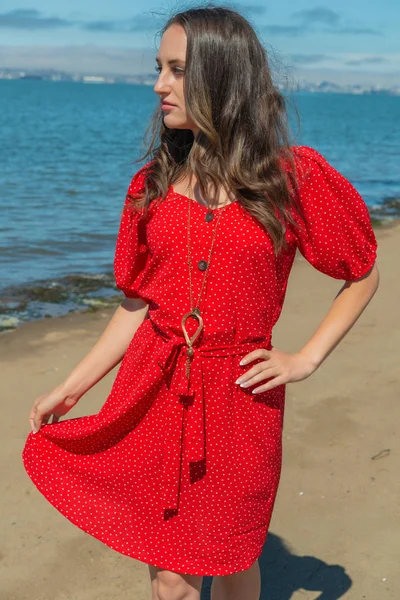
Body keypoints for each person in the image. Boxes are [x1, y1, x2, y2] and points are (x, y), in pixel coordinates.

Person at [22, 5, 379, 600]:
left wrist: (305, 359)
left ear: (222, 75)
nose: (159, 84)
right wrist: (74, 384)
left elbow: (361, 272)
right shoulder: (153, 184)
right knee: (172, 578)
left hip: (243, 398)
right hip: (154, 390)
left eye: (177, 69)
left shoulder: (290, 179)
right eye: (158, 68)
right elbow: (138, 303)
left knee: (235, 558)